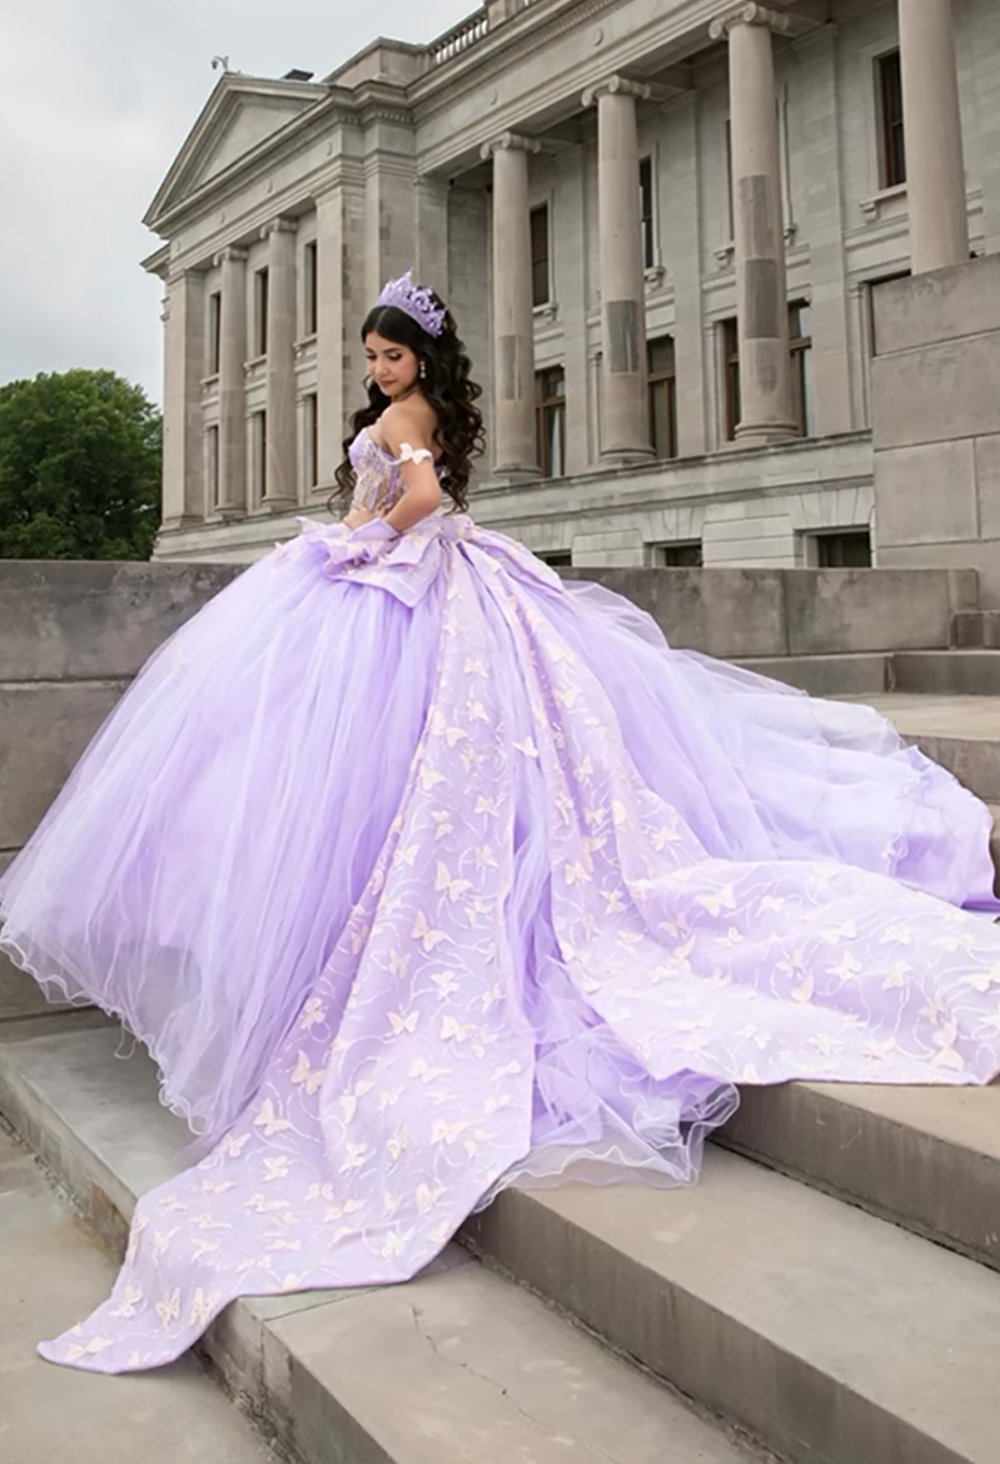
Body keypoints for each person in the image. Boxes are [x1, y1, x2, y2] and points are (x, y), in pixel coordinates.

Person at [3, 272, 1000, 1374]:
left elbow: (419, 505)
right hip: (431, 589)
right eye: (372, 358)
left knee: (432, 781)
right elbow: (407, 497)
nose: (377, 373)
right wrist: (347, 530)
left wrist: (360, 535)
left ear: (419, 361)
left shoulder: (401, 424)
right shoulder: (405, 415)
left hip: (416, 587)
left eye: (389, 356)